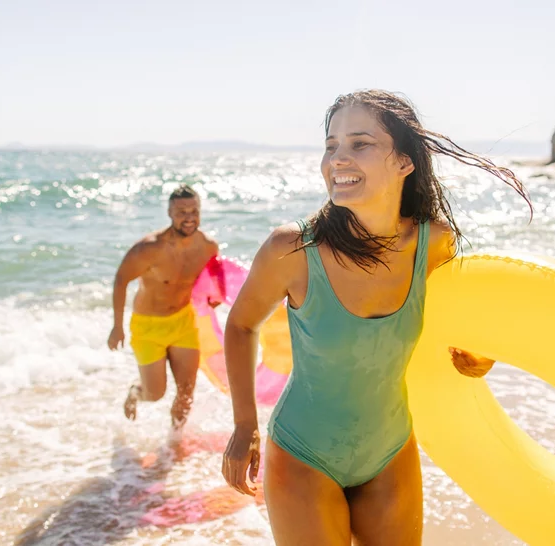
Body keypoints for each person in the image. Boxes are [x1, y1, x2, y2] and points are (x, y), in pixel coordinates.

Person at [220, 90, 531, 544]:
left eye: (359, 144)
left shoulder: (434, 244)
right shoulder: (294, 249)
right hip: (304, 453)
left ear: (404, 162)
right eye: (331, 146)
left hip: (390, 449)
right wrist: (244, 424)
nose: (337, 159)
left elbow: (453, 329)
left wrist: (479, 358)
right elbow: (241, 324)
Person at [107, 184, 220, 432]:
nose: (189, 218)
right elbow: (121, 280)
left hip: (183, 322)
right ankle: (135, 392)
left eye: (194, 211)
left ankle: (174, 442)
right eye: (181, 212)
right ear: (169, 213)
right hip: (148, 327)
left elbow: (212, 281)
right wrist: (117, 327)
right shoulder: (149, 248)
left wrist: (214, 297)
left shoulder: (208, 247)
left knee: (186, 393)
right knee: (155, 393)